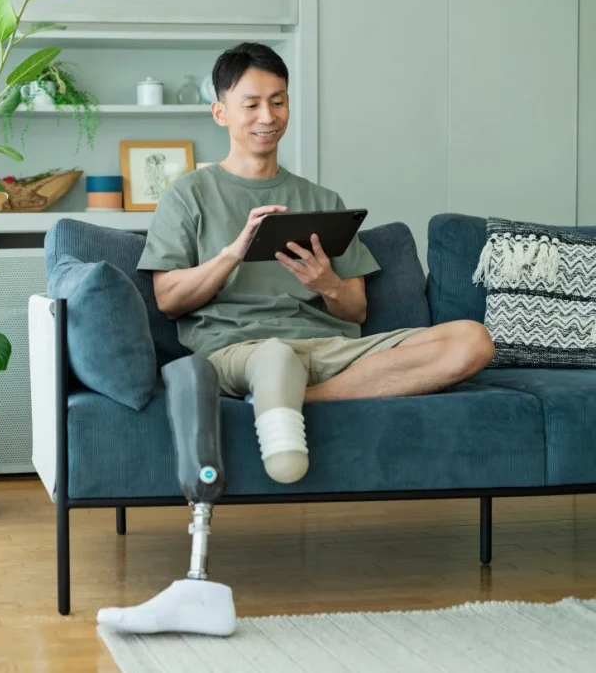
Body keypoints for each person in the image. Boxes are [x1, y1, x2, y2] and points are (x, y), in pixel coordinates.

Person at [95, 41, 495, 637]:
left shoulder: (320, 201)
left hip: (326, 350)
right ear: (220, 112)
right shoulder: (189, 195)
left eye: (277, 102)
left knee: (471, 341)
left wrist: (327, 281)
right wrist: (234, 253)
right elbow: (168, 299)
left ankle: (289, 405)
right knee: (275, 354)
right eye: (251, 103)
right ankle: (277, 412)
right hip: (238, 349)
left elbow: (356, 308)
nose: (266, 116)